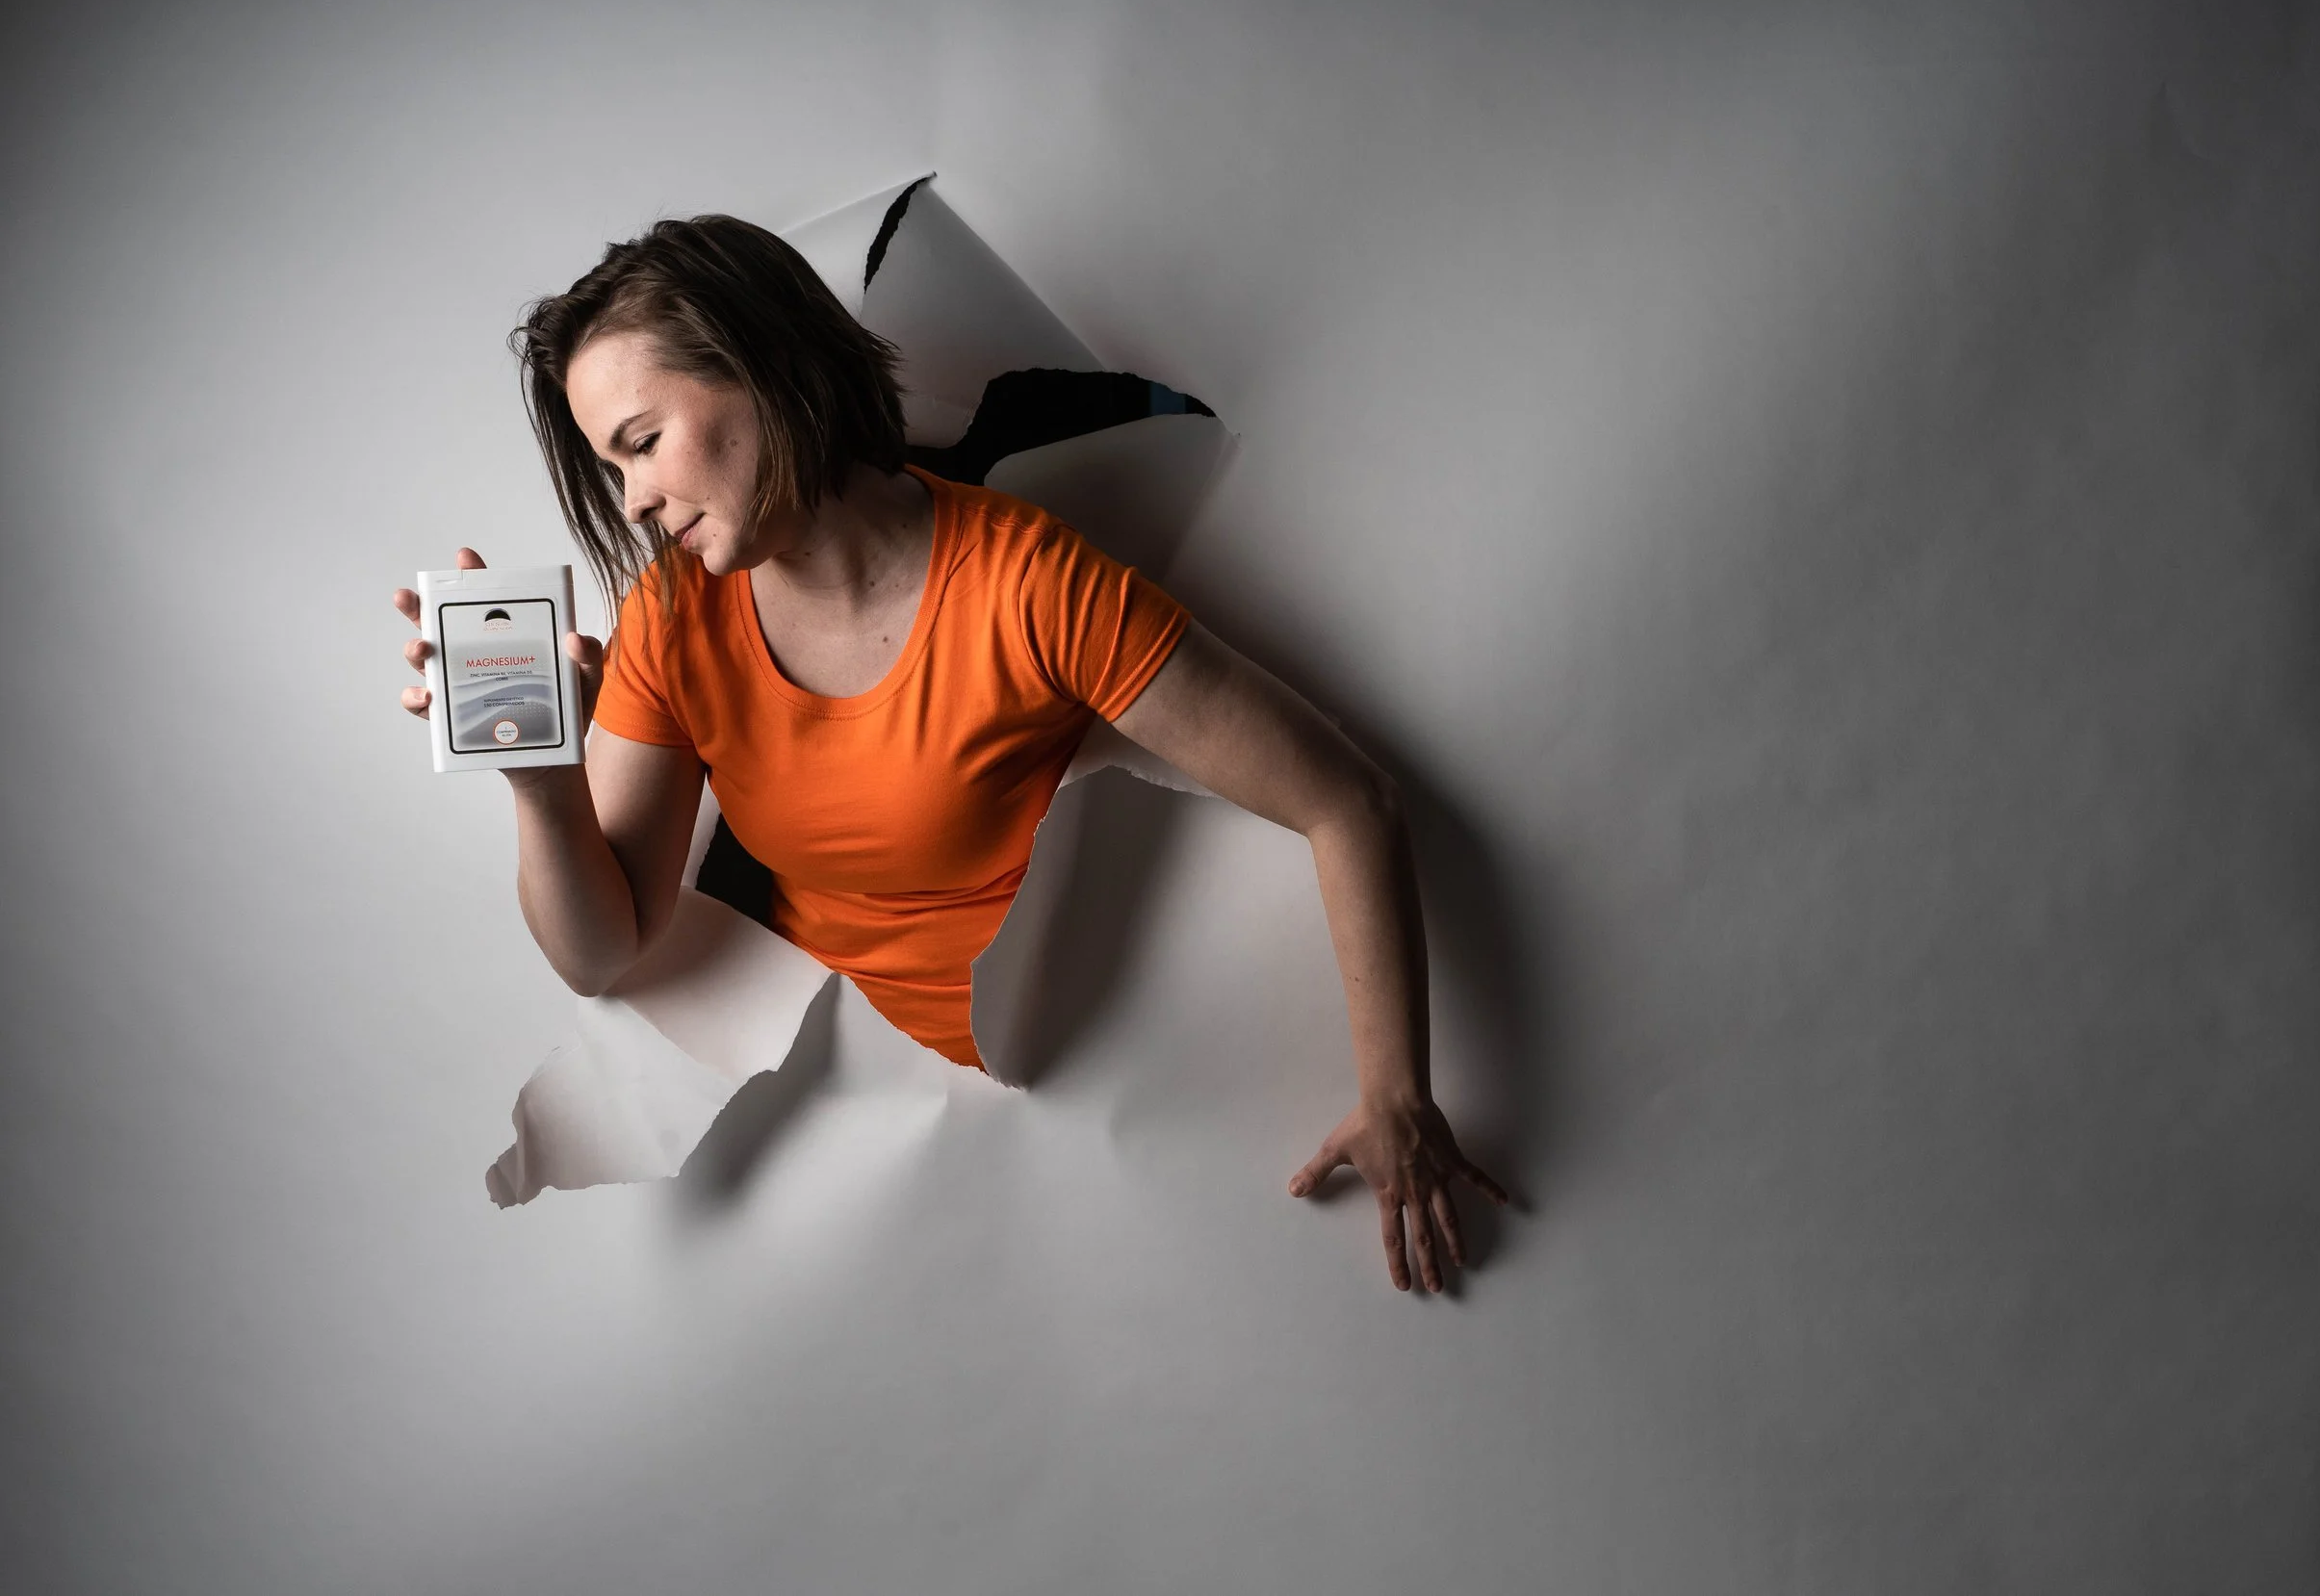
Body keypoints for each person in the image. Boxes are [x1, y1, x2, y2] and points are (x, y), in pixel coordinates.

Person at [394, 215, 1507, 1293]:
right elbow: (600, 951)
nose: (634, 499)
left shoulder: (1032, 587)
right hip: (826, 1101)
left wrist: (1395, 1094)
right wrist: (541, 785)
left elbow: (1346, 799)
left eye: (642, 443)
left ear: (765, 367)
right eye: (613, 466)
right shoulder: (673, 616)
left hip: (1056, 1079)